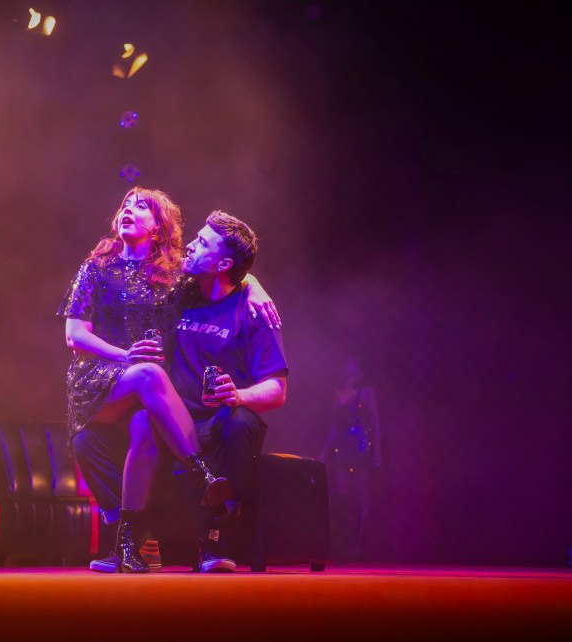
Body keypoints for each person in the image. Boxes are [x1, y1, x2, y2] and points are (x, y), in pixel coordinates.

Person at [58, 187, 273, 574]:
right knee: (149, 372)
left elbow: (226, 269)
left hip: (148, 394)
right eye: (125, 204)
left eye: (141, 207)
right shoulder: (97, 267)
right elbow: (75, 336)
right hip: (99, 382)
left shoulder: (175, 278)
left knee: (144, 424)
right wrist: (124, 356)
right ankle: (204, 477)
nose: (128, 210)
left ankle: (129, 547)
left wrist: (254, 285)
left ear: (159, 228)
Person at [318, 356, 381, 562]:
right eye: (349, 368)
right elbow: (335, 426)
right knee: (342, 491)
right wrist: (325, 450)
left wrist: (377, 452)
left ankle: (361, 539)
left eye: (355, 369)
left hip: (361, 445)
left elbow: (375, 422)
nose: (351, 372)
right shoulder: (338, 393)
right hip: (342, 446)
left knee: (362, 492)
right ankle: (344, 539)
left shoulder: (366, 392)